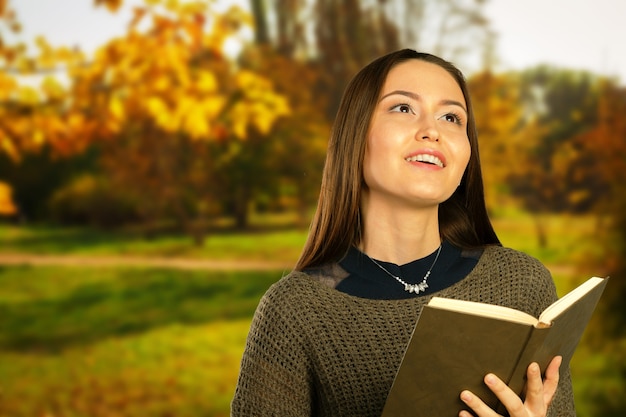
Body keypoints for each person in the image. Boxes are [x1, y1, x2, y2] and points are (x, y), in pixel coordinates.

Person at [231, 49, 575, 416]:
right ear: (355, 134)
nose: (432, 131)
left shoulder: (524, 284)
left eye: (451, 117)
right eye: (403, 108)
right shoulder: (293, 311)